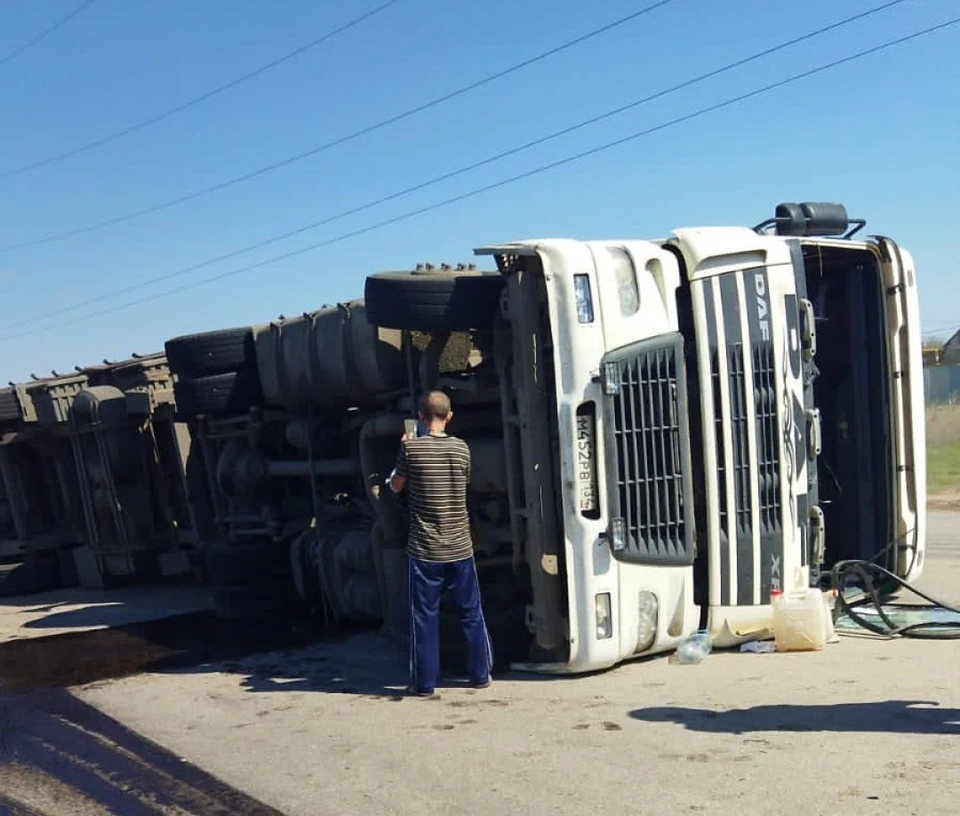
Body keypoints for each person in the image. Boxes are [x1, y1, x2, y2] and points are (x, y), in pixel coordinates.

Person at [389, 390, 493, 698]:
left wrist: (403, 449)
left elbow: (396, 486)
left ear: (420, 417)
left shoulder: (412, 450)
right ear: (449, 417)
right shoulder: (462, 449)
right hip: (460, 546)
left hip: (425, 550)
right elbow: (464, 484)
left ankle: (424, 684)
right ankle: (480, 675)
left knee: (425, 617)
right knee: (471, 612)